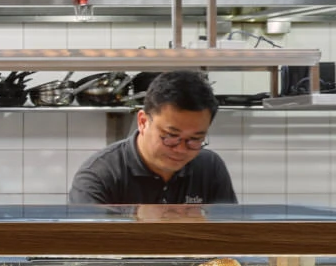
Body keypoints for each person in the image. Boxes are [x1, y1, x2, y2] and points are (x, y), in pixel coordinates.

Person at [68, 69, 237, 206]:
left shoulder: (210, 167)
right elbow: (90, 245)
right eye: (171, 136)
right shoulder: (100, 176)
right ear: (142, 122)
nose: (180, 149)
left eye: (195, 140)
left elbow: (230, 236)